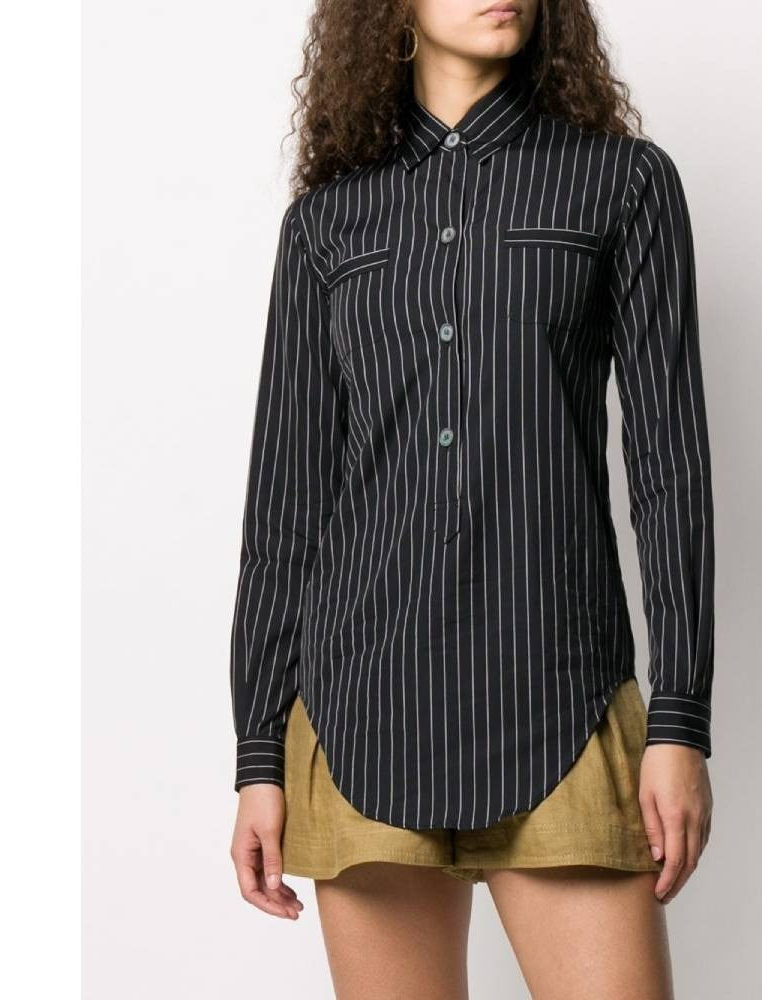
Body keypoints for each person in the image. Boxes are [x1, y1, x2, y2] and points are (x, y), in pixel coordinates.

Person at [229, 1, 715, 997]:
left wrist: (679, 721)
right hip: (363, 707)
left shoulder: (620, 183)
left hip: (558, 692)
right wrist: (258, 754)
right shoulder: (328, 220)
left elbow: (672, 473)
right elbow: (286, 505)